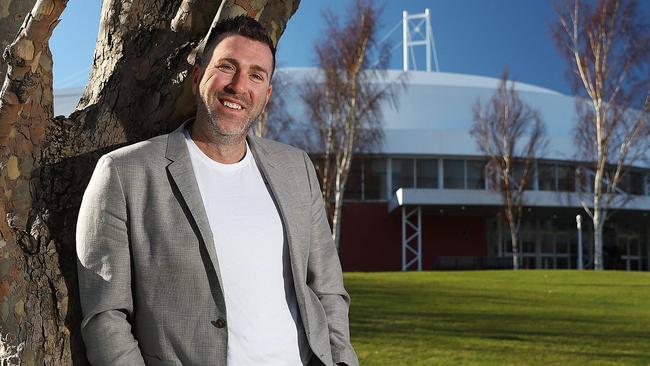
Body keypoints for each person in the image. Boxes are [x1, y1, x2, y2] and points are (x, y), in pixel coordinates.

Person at [76, 15, 358, 366]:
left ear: (266, 95)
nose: (239, 86)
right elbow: (106, 317)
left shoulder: (296, 168)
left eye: (256, 75)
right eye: (227, 66)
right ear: (198, 77)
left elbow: (328, 288)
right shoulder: (124, 173)